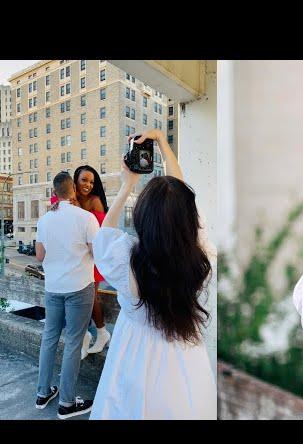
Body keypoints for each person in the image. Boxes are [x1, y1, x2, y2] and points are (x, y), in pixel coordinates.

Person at [89, 129, 216, 419]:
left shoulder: (126, 259)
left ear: (142, 216)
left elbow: (104, 236)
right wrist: (161, 141)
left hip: (133, 354)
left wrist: (126, 186)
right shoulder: (201, 256)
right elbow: (182, 198)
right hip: (184, 357)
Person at [34, 171, 99, 419]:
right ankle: (67, 403)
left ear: (54, 193)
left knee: (49, 339)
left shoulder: (44, 220)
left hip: (53, 288)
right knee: (73, 343)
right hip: (79, 288)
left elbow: (39, 256)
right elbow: (97, 253)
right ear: (73, 191)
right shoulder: (86, 218)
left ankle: (42, 393)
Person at [73, 165, 111, 357]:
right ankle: (88, 335)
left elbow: (98, 232)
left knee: (90, 298)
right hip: (77, 258)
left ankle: (100, 333)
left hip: (94, 257)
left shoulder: (95, 201)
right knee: (77, 296)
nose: (88, 184)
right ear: (75, 181)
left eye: (91, 181)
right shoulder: (70, 199)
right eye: (84, 180)